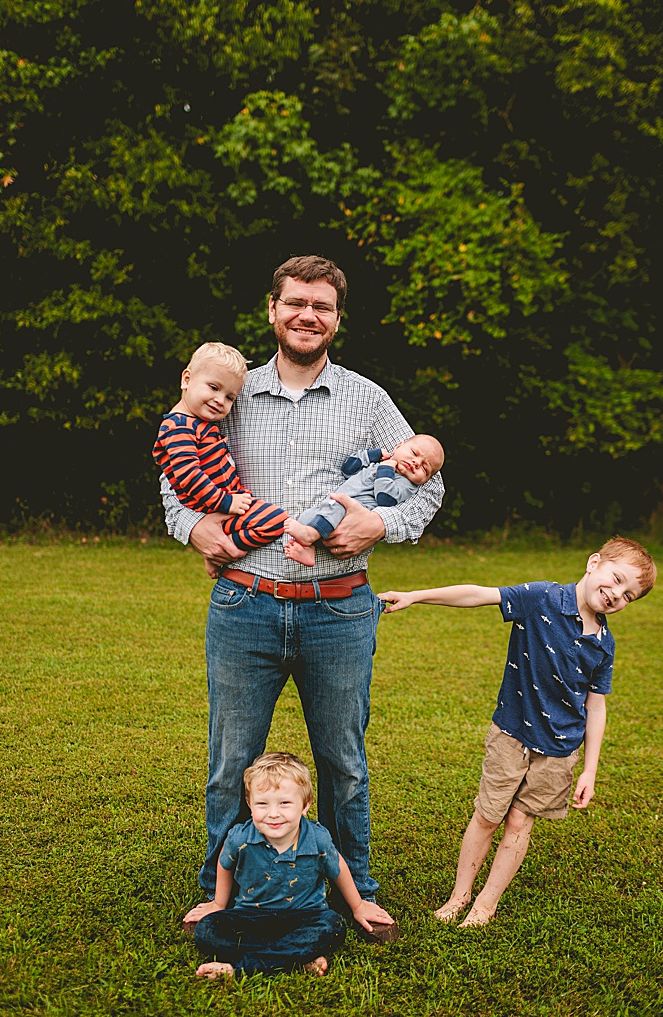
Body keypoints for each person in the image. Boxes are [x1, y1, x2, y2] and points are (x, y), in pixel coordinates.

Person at [161, 255, 443, 936]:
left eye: (321, 306)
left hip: (339, 610)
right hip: (244, 604)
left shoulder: (368, 399)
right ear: (273, 308)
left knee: (343, 761)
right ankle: (219, 890)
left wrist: (382, 521)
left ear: (337, 318)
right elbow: (178, 476)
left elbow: (425, 480)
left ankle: (357, 890)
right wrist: (196, 526)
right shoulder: (229, 389)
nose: (307, 315)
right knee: (231, 761)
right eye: (296, 302)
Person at [376, 537, 656, 927]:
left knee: (520, 822)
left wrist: (589, 770)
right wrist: (417, 595)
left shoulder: (604, 645)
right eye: (616, 579)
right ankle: (460, 896)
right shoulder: (541, 598)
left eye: (629, 595)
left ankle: (486, 905)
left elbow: (596, 706)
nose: (616, 595)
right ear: (594, 563)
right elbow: (478, 594)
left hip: (559, 750)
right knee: (488, 816)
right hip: (512, 734)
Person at [184, 752, 391, 979]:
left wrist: (358, 905)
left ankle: (240, 967)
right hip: (250, 916)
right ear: (249, 804)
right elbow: (225, 864)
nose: (273, 814)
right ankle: (296, 957)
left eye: (284, 803)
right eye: (262, 804)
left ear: (305, 805)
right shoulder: (240, 838)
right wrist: (218, 903)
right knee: (207, 931)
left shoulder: (317, 839)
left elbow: (338, 867)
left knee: (333, 926)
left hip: (305, 916)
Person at [153, 342, 303, 552]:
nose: (219, 400)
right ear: (186, 379)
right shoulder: (178, 427)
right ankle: (227, 552)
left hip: (227, 502)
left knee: (275, 520)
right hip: (216, 508)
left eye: (230, 397)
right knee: (276, 520)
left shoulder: (201, 424)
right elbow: (188, 476)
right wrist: (225, 502)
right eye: (213, 388)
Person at [283, 434, 446, 567]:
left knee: (334, 508)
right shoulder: (379, 463)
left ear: (424, 480)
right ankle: (309, 549)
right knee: (307, 517)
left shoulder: (406, 484)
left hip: (349, 514)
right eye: (414, 454)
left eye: (425, 468)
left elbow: (385, 498)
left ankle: (310, 535)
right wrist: (372, 455)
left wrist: (387, 467)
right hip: (333, 505)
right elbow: (348, 469)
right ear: (399, 446)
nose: (416, 463)